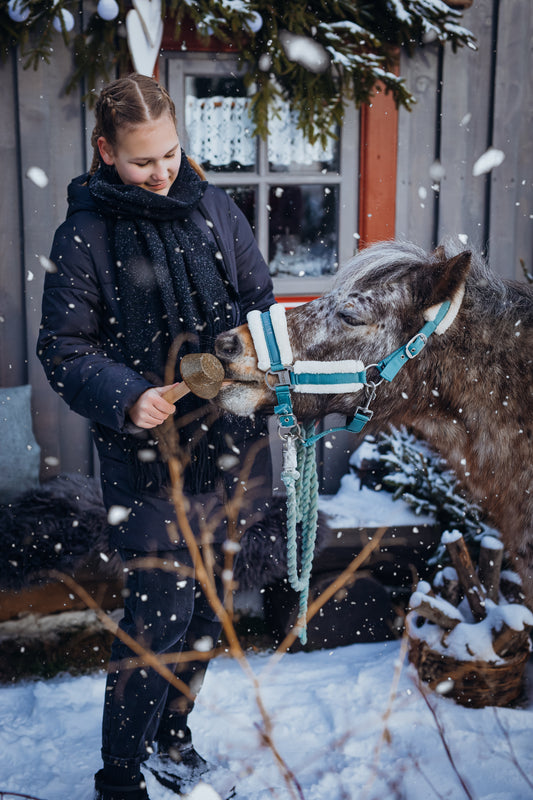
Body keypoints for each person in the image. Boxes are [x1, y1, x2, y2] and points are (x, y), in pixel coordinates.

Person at [37, 73, 275, 800]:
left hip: (231, 449)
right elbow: (64, 350)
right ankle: (119, 778)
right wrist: (129, 393)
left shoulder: (211, 208)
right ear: (106, 151)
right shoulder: (86, 233)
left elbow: (256, 301)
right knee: (159, 617)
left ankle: (173, 734)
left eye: (169, 153)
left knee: (208, 608)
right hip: (149, 464)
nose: (162, 171)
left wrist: (241, 348)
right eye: (143, 161)